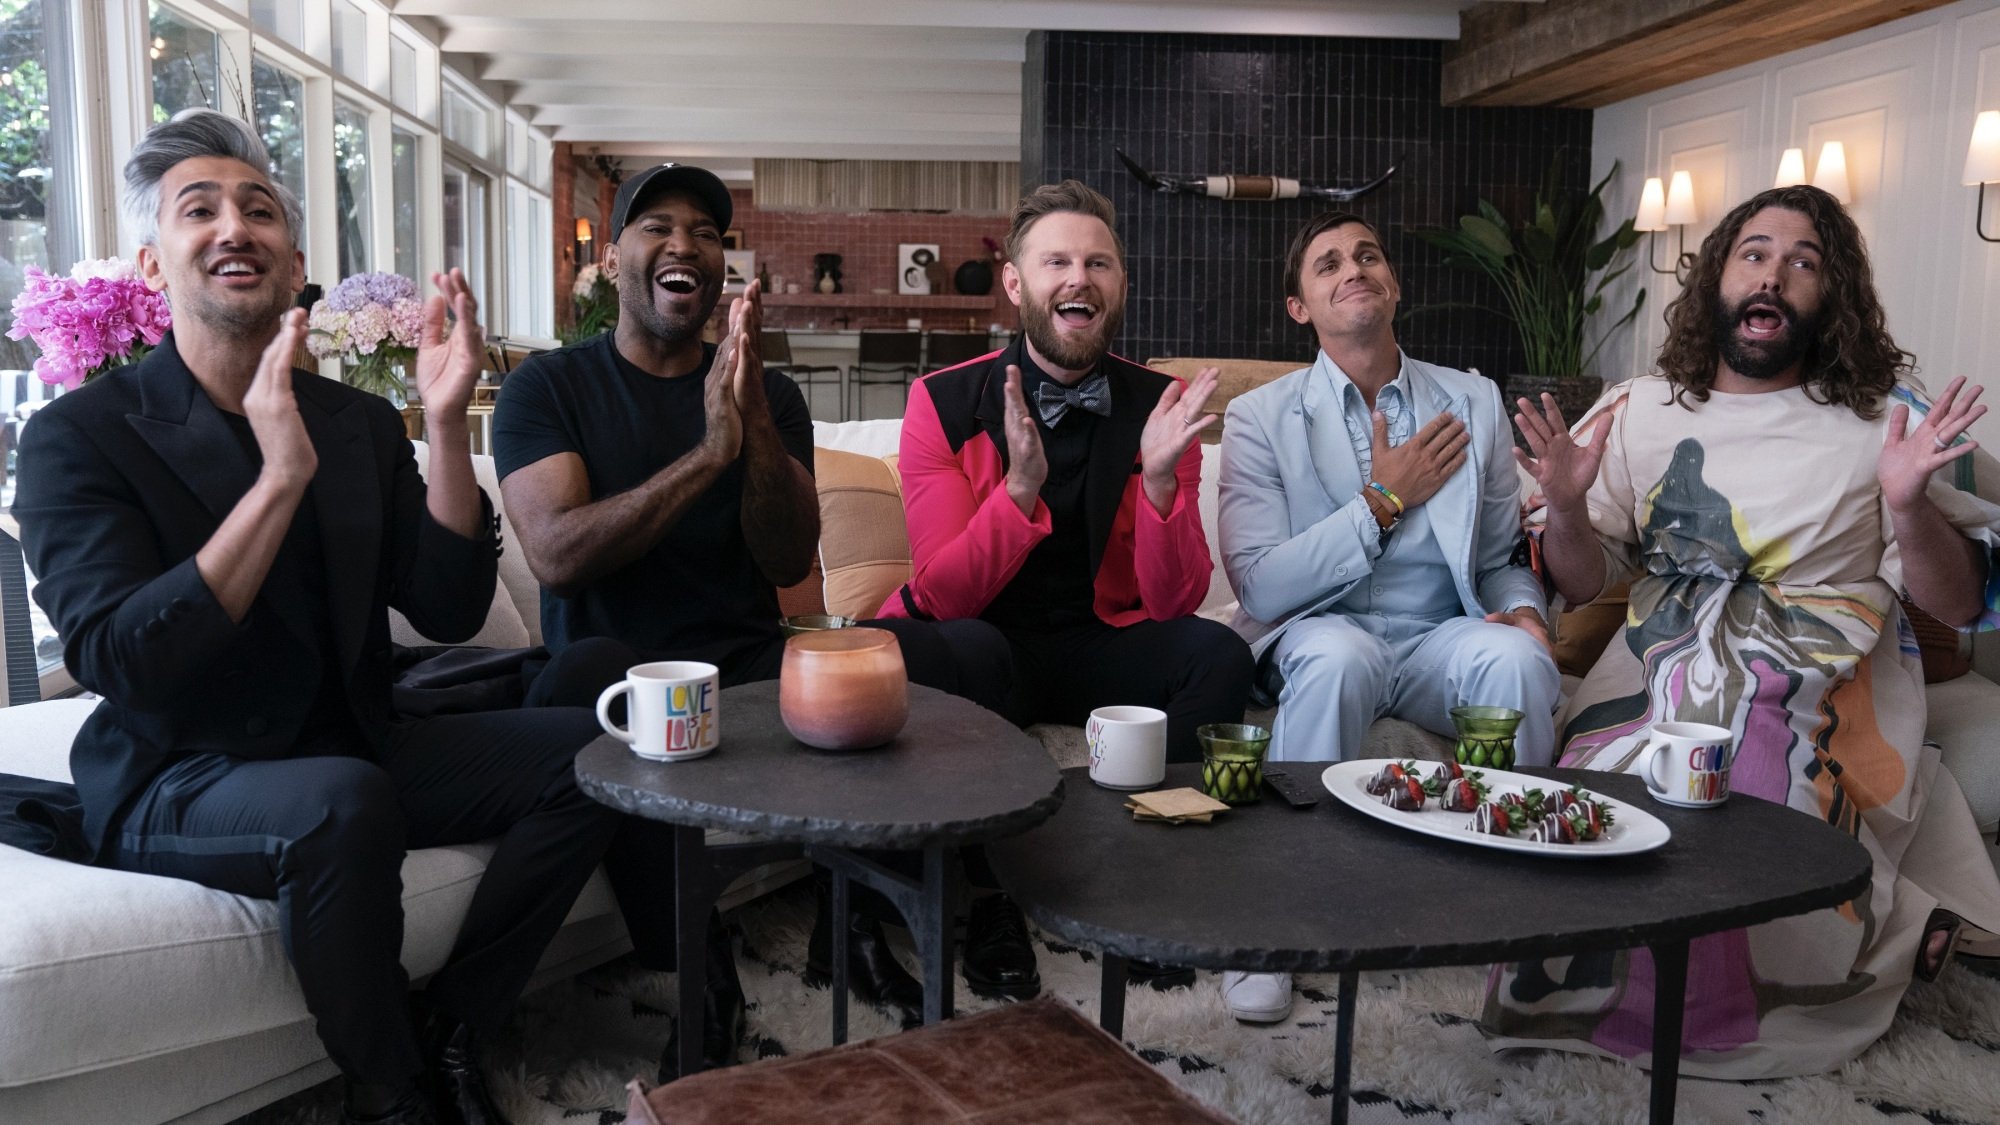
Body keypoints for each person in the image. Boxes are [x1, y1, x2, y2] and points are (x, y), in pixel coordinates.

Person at [10, 109, 665, 1125]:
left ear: (295, 259)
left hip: (354, 737)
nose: (237, 225)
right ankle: (394, 1093)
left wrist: (443, 427)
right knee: (341, 803)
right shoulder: (80, 437)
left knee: (604, 753)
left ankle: (456, 1024)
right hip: (180, 771)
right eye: (202, 209)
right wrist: (275, 483)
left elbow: (445, 607)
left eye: (259, 209)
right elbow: (121, 658)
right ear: (152, 266)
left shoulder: (355, 421)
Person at [492, 164, 1018, 1027]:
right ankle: (699, 971)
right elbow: (556, 555)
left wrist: (753, 421)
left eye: (705, 231)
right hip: (619, 670)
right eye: (657, 225)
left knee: (964, 651)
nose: (683, 243)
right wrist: (707, 451)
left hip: (749, 661)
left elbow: (783, 555)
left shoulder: (766, 392)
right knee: (578, 680)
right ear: (615, 254)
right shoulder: (547, 389)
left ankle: (855, 924)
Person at [1498, 184, 2000, 1078]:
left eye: (1805, 262)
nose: (1776, 275)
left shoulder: (1882, 418)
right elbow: (1580, 584)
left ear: (1831, 294)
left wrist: (1908, 502)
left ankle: (1724, 1013)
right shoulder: (1642, 408)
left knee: (1755, 807)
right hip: (1652, 668)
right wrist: (1567, 506)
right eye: (1756, 253)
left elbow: (1959, 603)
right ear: (1718, 278)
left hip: (1818, 675)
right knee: (1588, 814)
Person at [875, 180, 1254, 991]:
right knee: (941, 646)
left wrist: (1157, 481)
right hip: (986, 647)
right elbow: (942, 593)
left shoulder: (1163, 407)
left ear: (1119, 284)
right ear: (1017, 284)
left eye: (1098, 262)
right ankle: (988, 901)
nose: (1078, 278)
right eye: (1057, 261)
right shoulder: (941, 402)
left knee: (1219, 655)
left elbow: (1174, 600)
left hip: (1098, 641)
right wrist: (1016, 494)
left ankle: (1137, 883)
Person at [1213, 210, 1558, 1024]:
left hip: (1441, 633)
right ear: (1300, 306)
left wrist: (1524, 612)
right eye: (1327, 263)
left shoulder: (1471, 401)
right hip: (1317, 627)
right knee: (1339, 657)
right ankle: (1277, 927)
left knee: (1516, 664)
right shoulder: (1260, 418)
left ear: (1393, 283)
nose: (1352, 267)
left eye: (1368, 253)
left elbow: (1503, 558)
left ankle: (1524, 919)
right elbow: (1262, 586)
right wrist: (1383, 499)